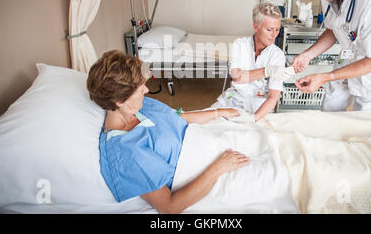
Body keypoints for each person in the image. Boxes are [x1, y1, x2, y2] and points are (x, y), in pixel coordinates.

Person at [87, 50, 250, 214]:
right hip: (209, 168)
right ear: (120, 101)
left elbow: (177, 118)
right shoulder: (127, 152)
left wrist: (218, 113)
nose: (146, 90)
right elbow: (170, 207)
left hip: (208, 140)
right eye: (140, 89)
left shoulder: (138, 107)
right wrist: (219, 167)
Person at [212, 2, 295, 122]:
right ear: (256, 27)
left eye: (277, 30)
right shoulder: (239, 44)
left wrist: (253, 119)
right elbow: (238, 77)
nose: (274, 35)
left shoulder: (277, 55)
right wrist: (267, 71)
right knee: (207, 125)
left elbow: (273, 97)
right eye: (269, 30)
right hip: (234, 99)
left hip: (259, 107)